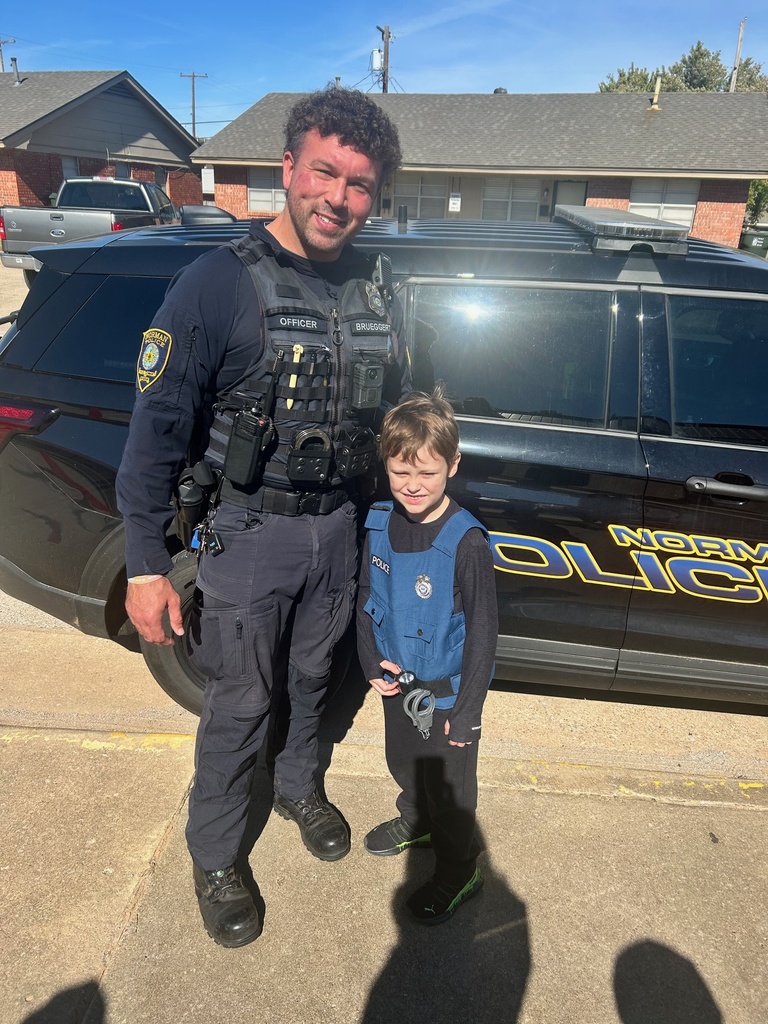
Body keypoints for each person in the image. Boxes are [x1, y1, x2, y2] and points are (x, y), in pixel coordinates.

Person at [116, 87, 407, 948]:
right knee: (241, 701)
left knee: (317, 680)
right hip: (247, 535)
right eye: (324, 172)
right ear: (287, 167)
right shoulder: (216, 283)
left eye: (360, 184)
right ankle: (215, 854)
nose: (338, 198)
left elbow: (397, 414)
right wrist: (144, 564)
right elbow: (155, 433)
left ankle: (296, 785)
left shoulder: (380, 287)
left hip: (340, 530)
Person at [356, 387, 498, 925]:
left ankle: (459, 870)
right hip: (399, 685)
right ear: (386, 466)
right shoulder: (379, 524)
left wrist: (468, 711)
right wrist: (370, 661)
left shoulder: (466, 543)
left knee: (451, 793)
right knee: (403, 763)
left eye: (427, 473)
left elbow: (483, 631)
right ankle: (415, 818)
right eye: (400, 472)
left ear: (452, 466)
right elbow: (365, 598)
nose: (412, 485)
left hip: (447, 698)